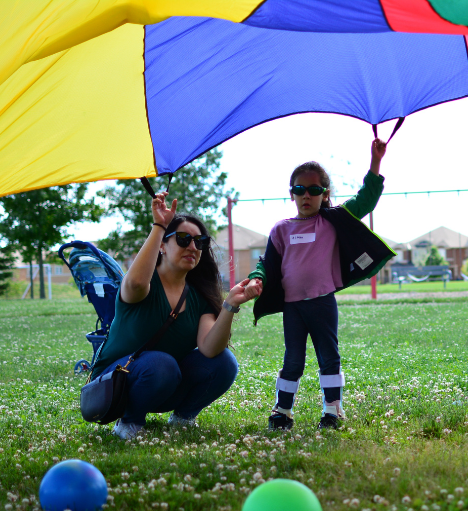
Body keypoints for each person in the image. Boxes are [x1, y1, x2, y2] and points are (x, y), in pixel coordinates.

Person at [249, 137, 393, 431]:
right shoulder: (280, 230)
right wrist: (257, 279)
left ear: (325, 194)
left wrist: (375, 162)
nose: (307, 195)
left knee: (329, 358)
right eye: (300, 189)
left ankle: (332, 410)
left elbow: (365, 199)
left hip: (322, 303)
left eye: (314, 190)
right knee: (293, 361)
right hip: (293, 307)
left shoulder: (331, 221)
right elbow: (266, 263)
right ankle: (282, 411)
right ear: (291, 194)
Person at [91, 195, 261, 440]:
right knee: (162, 364)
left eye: (199, 241)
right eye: (183, 239)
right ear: (162, 245)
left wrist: (230, 305)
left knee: (225, 362)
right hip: (115, 383)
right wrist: (159, 226)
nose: (192, 247)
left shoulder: (199, 295)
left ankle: (183, 418)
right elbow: (136, 281)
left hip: (165, 379)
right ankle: (129, 423)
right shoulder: (143, 285)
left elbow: (210, 349)